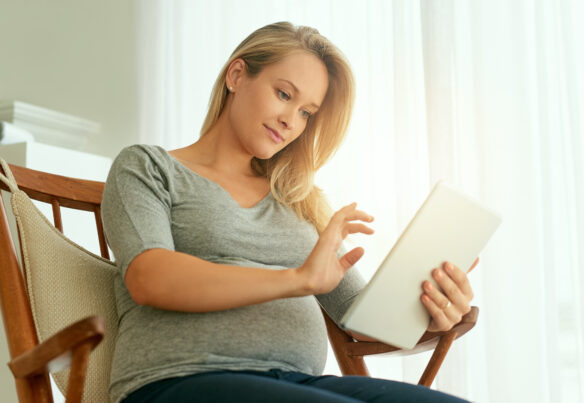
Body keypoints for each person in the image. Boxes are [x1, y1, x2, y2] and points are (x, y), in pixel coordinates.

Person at [101, 21, 476, 403]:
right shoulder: (147, 167)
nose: (290, 121)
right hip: (178, 380)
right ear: (236, 75)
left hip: (296, 383)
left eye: (306, 113)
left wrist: (431, 309)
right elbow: (149, 278)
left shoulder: (298, 198)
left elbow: (360, 318)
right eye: (283, 94)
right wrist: (297, 279)